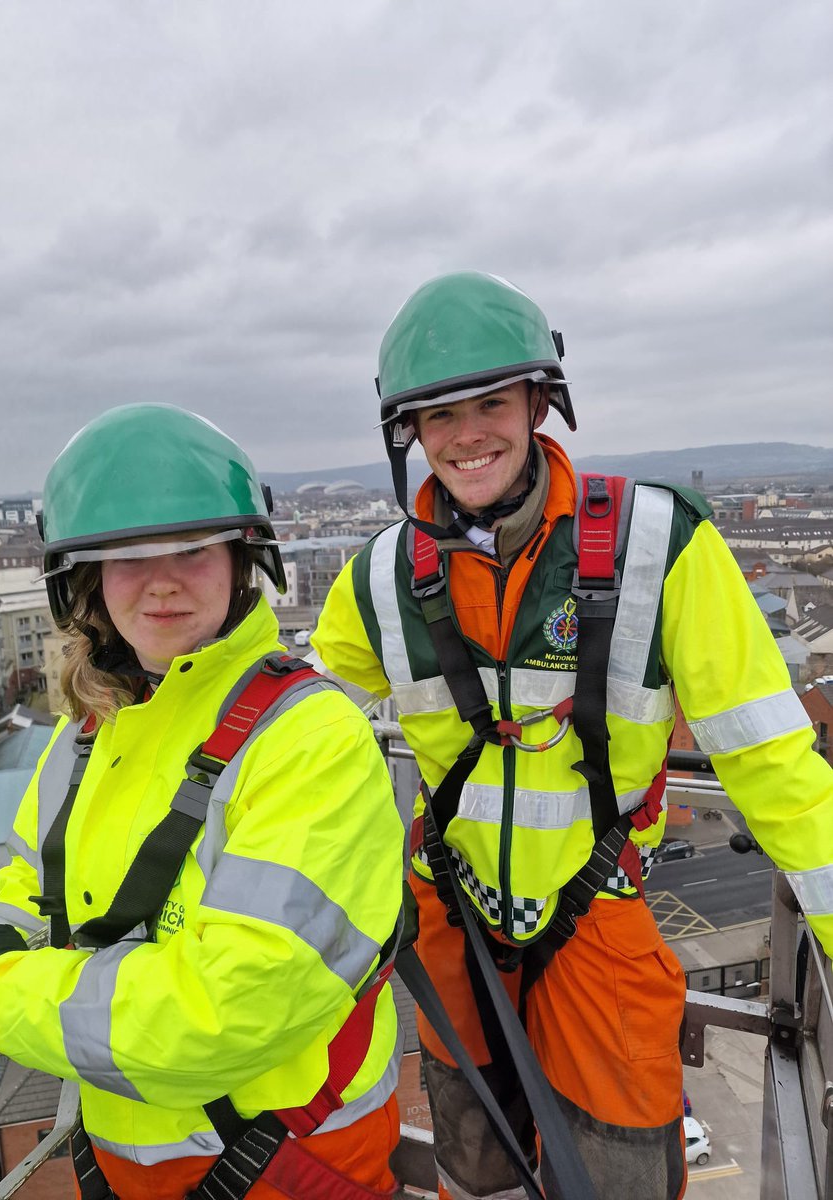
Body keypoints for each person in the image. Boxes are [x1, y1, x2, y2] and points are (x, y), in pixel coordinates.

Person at [310, 271, 833, 1200]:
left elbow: (767, 755)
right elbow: (295, 729)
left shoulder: (656, 544)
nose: (467, 434)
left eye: (491, 403)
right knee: (476, 1161)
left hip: (598, 915)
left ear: (539, 403)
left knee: (619, 1168)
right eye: (440, 415)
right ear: (410, 432)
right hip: (452, 914)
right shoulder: (381, 577)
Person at [0, 404, 406, 1200]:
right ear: (84, 578)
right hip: (126, 1162)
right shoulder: (90, 734)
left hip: (289, 1166)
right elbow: (37, 900)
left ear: (241, 558)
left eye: (192, 549)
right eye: (126, 556)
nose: (160, 583)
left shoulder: (310, 740)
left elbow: (225, 1012)